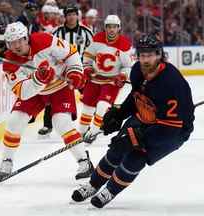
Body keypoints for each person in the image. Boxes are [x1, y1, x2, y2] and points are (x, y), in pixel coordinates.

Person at [71, 34, 195, 208]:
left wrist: (138, 139)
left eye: (150, 55)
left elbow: (171, 127)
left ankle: (110, 191)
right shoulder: (137, 70)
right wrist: (119, 114)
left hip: (173, 130)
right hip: (146, 115)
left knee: (136, 156)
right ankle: (93, 185)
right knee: (117, 147)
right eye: (142, 55)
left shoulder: (171, 83)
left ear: (160, 55)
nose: (145, 59)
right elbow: (136, 96)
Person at [0, 21, 94, 180]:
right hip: (34, 92)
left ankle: (84, 160)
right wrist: (38, 79)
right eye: (11, 42)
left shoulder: (44, 40)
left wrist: (75, 72)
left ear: (26, 38)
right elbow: (22, 92)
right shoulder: (9, 63)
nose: (16, 45)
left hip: (60, 86)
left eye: (19, 40)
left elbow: (70, 53)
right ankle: (7, 160)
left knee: (61, 123)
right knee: (15, 120)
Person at [38, 4, 93, 137]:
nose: (71, 17)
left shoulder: (86, 32)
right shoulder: (57, 32)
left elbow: (93, 51)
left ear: (77, 15)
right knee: (52, 93)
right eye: (68, 15)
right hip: (61, 70)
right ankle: (47, 125)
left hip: (80, 70)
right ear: (65, 17)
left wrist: (89, 67)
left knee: (89, 97)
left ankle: (87, 125)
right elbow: (49, 51)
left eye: (73, 14)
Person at [78, 15, 133, 144]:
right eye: (109, 27)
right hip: (94, 79)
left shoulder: (125, 44)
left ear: (119, 28)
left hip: (112, 81)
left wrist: (122, 76)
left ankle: (93, 132)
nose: (111, 30)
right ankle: (81, 132)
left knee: (102, 106)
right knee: (87, 108)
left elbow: (128, 66)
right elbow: (88, 56)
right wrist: (87, 68)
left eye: (114, 27)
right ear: (105, 28)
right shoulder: (97, 39)